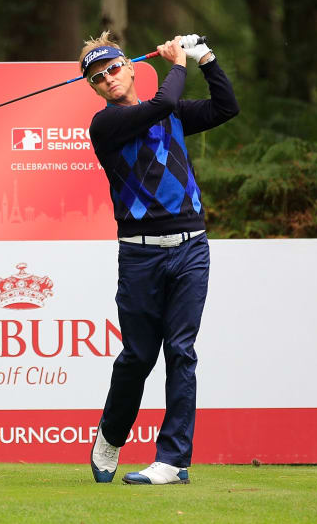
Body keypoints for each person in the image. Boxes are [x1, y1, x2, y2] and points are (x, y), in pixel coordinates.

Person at [81, 32, 239, 485]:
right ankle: (111, 436)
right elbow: (161, 105)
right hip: (140, 255)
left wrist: (206, 57)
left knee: (182, 352)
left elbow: (226, 107)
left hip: (191, 247)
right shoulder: (105, 126)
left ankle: (173, 461)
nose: (108, 79)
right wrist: (178, 63)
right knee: (137, 356)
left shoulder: (171, 113)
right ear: (94, 90)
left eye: (112, 68)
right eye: (97, 78)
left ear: (131, 67)